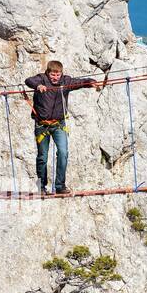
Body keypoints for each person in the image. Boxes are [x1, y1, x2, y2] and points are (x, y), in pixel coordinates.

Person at [23, 60, 108, 194]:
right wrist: (38, 85)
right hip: (42, 125)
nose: (55, 78)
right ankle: (41, 187)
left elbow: (78, 82)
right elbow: (28, 80)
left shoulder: (65, 82)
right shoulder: (41, 79)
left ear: (61, 74)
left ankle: (60, 186)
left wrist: (90, 82)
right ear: (48, 73)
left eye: (58, 75)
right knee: (42, 157)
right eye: (53, 75)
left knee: (63, 153)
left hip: (59, 125)